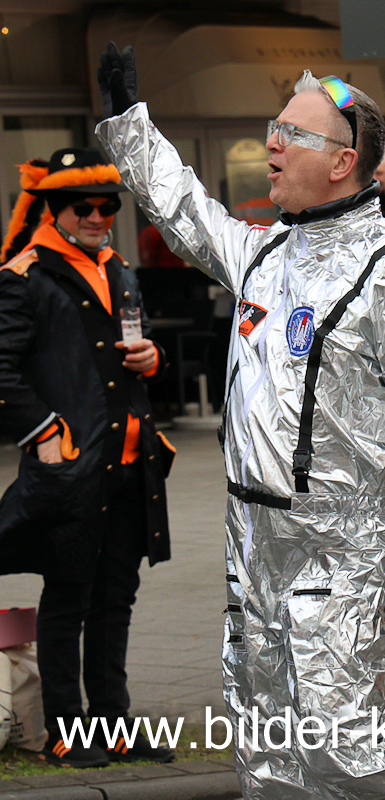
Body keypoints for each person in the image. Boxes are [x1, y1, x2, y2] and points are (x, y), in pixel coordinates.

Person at [94, 45, 385, 798]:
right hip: (253, 542)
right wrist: (128, 125)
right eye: (275, 128)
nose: (272, 143)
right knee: (270, 754)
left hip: (347, 553)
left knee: (347, 749)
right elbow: (183, 208)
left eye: (292, 134)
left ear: (342, 162)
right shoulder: (265, 255)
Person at [0, 147, 175, 768]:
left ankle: (111, 724)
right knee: (69, 597)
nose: (99, 216)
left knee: (114, 600)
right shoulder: (25, 274)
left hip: (129, 465)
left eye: (107, 206)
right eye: (84, 207)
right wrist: (44, 431)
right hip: (72, 470)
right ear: (55, 208)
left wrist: (152, 358)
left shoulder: (118, 267)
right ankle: (64, 729)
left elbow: (132, 346)